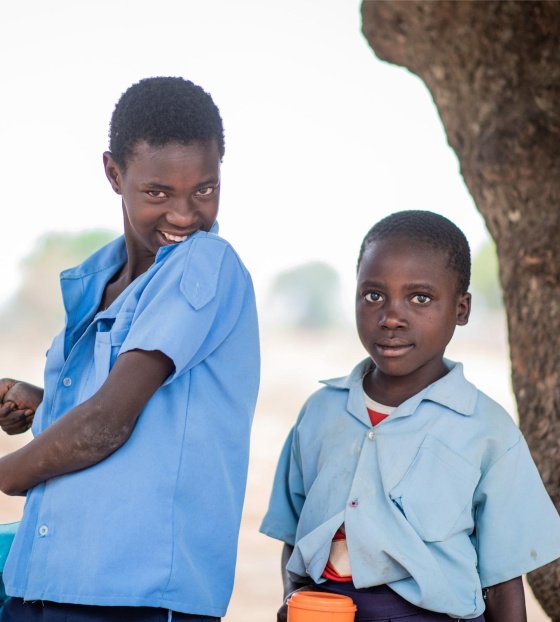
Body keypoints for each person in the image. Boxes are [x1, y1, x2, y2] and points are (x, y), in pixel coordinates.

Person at [0, 76, 260, 622]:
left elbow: (109, 421)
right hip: (45, 578)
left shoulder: (204, 262)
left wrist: (8, 472)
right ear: (114, 174)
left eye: (205, 190)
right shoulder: (97, 281)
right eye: (158, 192)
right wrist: (46, 404)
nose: (185, 215)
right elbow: (137, 416)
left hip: (134, 597)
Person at [260, 210, 560, 622]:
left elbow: (503, 580)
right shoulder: (320, 412)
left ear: (461, 308)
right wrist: (294, 599)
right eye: (373, 295)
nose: (391, 317)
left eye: (420, 297)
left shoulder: (487, 432)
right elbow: (294, 536)